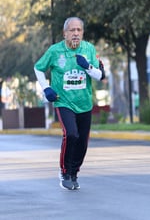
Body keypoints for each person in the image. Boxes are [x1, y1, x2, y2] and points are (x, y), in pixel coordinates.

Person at [34, 17, 105, 190]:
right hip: (63, 101)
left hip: (84, 102)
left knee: (82, 142)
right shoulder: (55, 51)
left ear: (82, 33)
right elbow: (38, 68)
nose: (75, 34)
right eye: (72, 30)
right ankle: (65, 172)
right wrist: (46, 88)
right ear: (65, 33)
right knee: (71, 134)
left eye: (79, 30)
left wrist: (87, 66)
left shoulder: (88, 49)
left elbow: (100, 75)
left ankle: (74, 173)